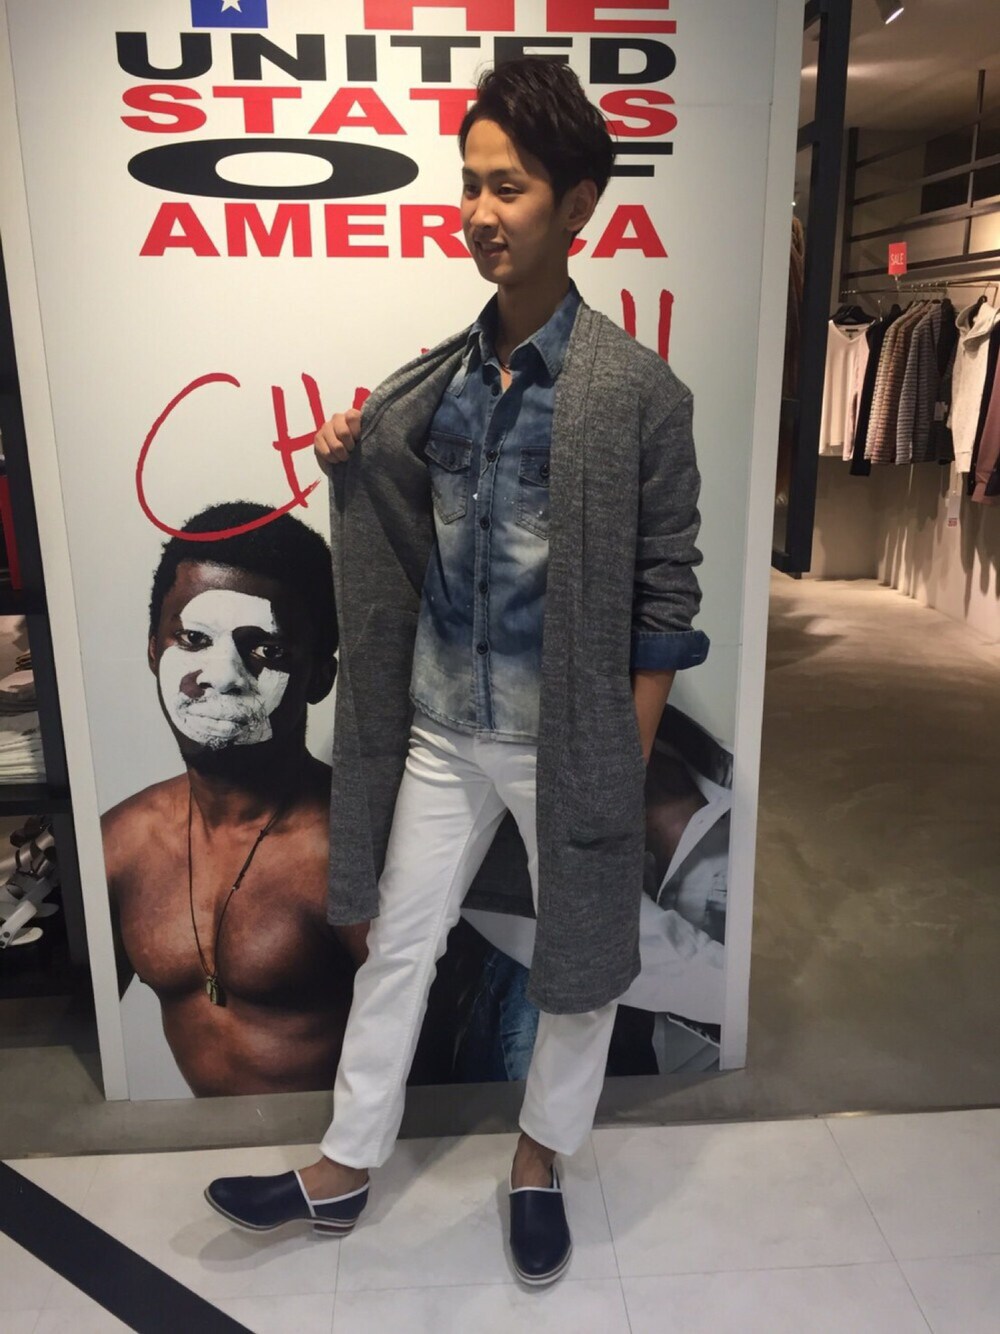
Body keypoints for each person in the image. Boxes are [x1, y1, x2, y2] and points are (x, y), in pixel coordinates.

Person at [205, 58, 709, 1284]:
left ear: (577, 203)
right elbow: (393, 510)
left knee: (578, 961)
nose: (480, 212)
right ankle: (344, 1167)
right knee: (398, 943)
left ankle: (539, 1158)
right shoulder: (434, 385)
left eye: (510, 187)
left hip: (563, 739)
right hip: (439, 724)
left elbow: (665, 594)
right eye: (470, 184)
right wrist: (351, 445)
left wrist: (622, 749)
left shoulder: (638, 396)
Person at [103, 503, 366, 1096]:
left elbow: (435, 1068)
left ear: (320, 677)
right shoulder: (120, 844)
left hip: (336, 1149)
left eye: (265, 649)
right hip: (203, 1150)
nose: (220, 675)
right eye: (194, 639)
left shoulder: (352, 849)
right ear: (153, 650)